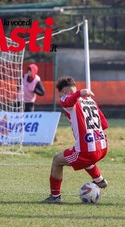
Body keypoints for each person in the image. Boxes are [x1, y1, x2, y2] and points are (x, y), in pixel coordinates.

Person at [42, 76, 108, 204]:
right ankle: (99, 179)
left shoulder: (67, 98)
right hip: (103, 147)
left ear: (64, 92)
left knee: (57, 160)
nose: (59, 97)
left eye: (59, 94)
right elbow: (104, 124)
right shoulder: (90, 100)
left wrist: (79, 93)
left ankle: (55, 197)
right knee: (82, 156)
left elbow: (67, 102)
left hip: (88, 150)